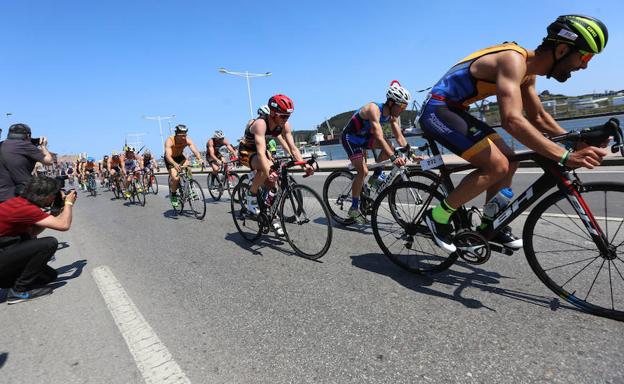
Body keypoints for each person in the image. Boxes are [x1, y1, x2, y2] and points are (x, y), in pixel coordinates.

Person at [419, 15, 609, 253]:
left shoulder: (528, 72)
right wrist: (564, 156)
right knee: (496, 165)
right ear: (562, 49)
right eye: (585, 56)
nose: (584, 65)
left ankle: (490, 225)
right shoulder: (513, 60)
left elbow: (538, 117)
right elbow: (511, 120)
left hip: (457, 109)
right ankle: (437, 216)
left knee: (509, 161)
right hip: (437, 109)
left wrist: (574, 138)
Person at [341, 81, 411, 224]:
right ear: (391, 103)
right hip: (351, 138)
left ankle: (376, 177)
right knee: (362, 172)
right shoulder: (374, 109)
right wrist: (393, 158)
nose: (403, 109)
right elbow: (379, 136)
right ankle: (354, 208)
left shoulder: (392, 116)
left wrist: (410, 152)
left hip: (364, 138)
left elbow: (398, 137)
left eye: (405, 106)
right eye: (402, 106)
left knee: (390, 144)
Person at [238, 94, 314, 226]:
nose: (286, 119)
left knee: (273, 185)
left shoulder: (285, 125)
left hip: (261, 151)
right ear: (272, 113)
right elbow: (261, 153)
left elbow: (293, 148)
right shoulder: (260, 124)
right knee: (265, 168)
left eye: (288, 116)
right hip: (247, 151)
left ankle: (269, 214)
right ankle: (251, 197)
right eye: (283, 116)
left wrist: (303, 165)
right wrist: (269, 171)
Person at [0, 176, 77, 304]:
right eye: (54, 195)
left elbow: (33, 232)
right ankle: (18, 291)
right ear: (44, 196)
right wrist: (68, 204)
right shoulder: (25, 208)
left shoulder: (20, 203)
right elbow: (64, 225)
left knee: (49, 276)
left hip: (4, 253)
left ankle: (11, 281)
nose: (54, 198)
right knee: (49, 243)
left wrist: (53, 213)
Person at [0, 123, 54, 202]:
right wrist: (43, 146)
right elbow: (49, 161)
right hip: (15, 195)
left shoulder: (2, 144)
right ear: (28, 136)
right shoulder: (25, 145)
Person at [164, 124, 204, 208]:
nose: (183, 137)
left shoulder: (187, 140)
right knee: (176, 178)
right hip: (170, 159)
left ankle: (190, 188)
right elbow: (168, 156)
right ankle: (174, 195)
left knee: (188, 166)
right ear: (176, 134)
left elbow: (195, 150)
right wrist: (174, 164)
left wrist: (199, 158)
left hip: (180, 157)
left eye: (185, 135)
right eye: (181, 135)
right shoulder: (170, 140)